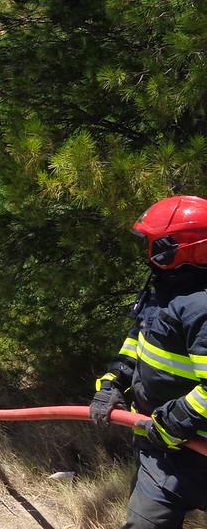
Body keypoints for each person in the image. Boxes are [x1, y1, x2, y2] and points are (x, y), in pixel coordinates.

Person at [90, 195, 207, 528]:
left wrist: (174, 421)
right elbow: (138, 340)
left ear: (181, 248)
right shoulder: (165, 290)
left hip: (193, 448)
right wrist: (113, 382)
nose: (148, 252)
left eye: (156, 244)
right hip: (159, 447)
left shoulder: (201, 307)